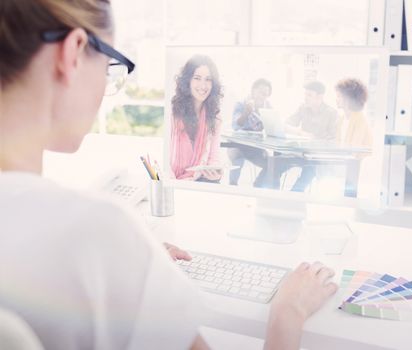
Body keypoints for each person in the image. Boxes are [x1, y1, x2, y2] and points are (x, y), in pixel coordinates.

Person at [0, 1, 337, 350]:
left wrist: (133, 269)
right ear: (74, 52)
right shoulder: (96, 232)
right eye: (110, 66)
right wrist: (289, 312)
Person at [170, 55, 223, 183]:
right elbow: (163, 161)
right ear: (187, 80)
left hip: (197, 181)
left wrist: (216, 173)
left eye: (208, 79)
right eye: (197, 78)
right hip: (172, 182)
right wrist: (175, 184)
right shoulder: (172, 113)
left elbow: (213, 159)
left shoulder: (215, 118)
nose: (203, 85)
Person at [279, 81, 339, 192]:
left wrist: (317, 141)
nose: (305, 98)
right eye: (305, 94)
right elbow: (285, 125)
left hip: (317, 157)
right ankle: (267, 195)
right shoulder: (303, 108)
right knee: (276, 161)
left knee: (311, 168)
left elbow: (333, 140)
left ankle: (293, 197)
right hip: (299, 152)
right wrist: (299, 132)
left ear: (320, 97)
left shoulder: (331, 113)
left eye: (309, 95)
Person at [228, 78, 272, 186]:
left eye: (266, 94)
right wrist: (246, 112)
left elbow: (271, 127)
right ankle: (233, 185)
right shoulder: (241, 104)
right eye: (261, 92)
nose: (263, 97)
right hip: (237, 145)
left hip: (254, 148)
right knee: (237, 158)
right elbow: (236, 126)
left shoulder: (268, 108)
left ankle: (257, 185)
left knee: (271, 164)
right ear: (253, 90)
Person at [334, 77, 373, 196]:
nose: (337, 99)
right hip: (346, 163)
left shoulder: (360, 118)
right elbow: (338, 145)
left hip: (358, 165)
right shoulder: (341, 119)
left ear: (349, 99)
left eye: (339, 96)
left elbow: (354, 150)